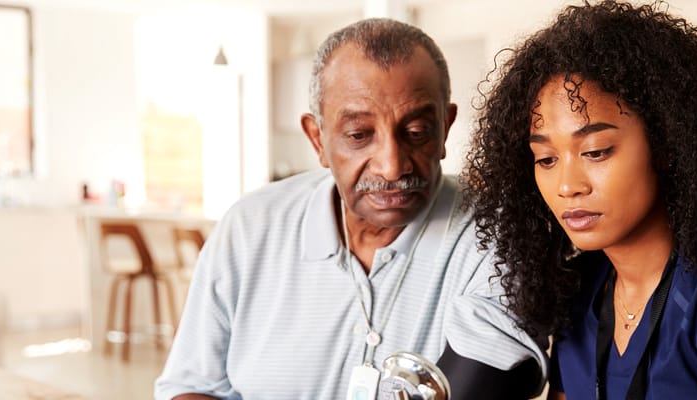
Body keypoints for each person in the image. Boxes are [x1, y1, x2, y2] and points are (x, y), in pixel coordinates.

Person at [155, 18, 545, 400]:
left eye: (416, 133)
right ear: (317, 139)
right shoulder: (249, 228)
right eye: (359, 135)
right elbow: (192, 386)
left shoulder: (497, 233)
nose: (392, 166)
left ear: (445, 127)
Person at [463, 1, 697, 399]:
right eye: (545, 158)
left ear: (666, 145)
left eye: (595, 151)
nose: (567, 185)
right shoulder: (579, 291)